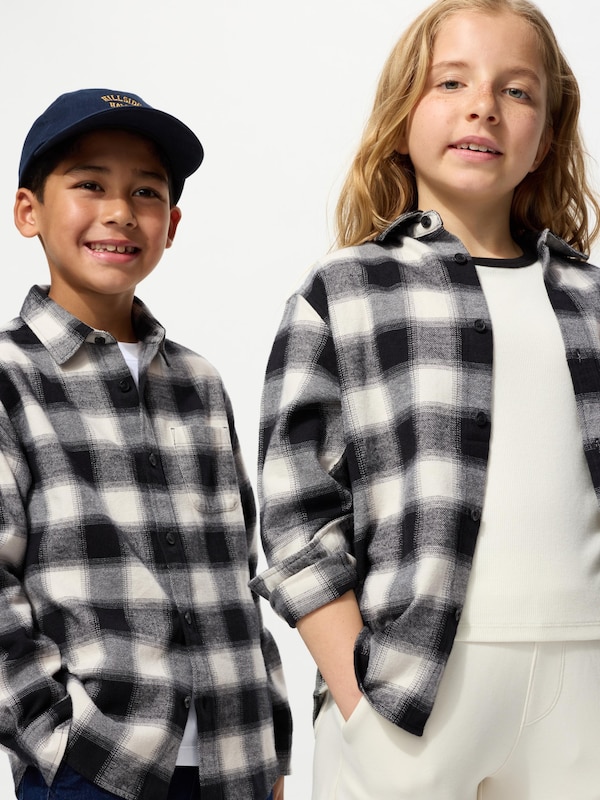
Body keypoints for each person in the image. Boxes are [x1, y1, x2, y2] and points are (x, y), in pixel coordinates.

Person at [250, 0, 600, 797]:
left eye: (517, 90)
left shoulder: (591, 300)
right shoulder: (346, 290)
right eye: (452, 82)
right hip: (412, 694)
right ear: (402, 117)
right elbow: (296, 509)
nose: (484, 106)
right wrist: (355, 695)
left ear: (546, 138)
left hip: (585, 687)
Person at [0, 88, 291, 800]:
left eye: (146, 192)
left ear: (172, 224)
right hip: (93, 771)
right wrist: (58, 739)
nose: (120, 212)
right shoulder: (10, 377)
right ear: (28, 211)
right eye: (90, 184)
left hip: (235, 764)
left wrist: (274, 748)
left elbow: (240, 575)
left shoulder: (199, 383)